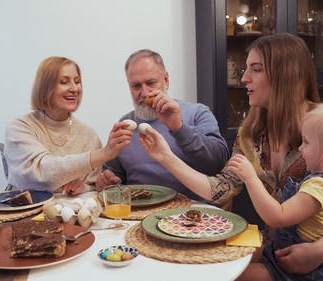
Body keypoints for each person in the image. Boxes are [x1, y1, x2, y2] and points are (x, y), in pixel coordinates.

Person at [138, 34, 323, 281]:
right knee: (209, 267)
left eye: (255, 69)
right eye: (246, 69)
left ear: (285, 75)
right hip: (278, 252)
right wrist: (165, 156)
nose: (244, 78)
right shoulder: (249, 134)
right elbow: (218, 190)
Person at [228, 93, 323, 280]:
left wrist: (251, 179)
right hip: (282, 249)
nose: (244, 77)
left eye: (305, 142)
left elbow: (277, 216)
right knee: (233, 260)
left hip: (309, 271)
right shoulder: (250, 132)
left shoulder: (321, 186)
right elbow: (222, 184)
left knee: (237, 274)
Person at [95, 49, 229, 201]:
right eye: (136, 86)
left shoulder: (197, 113)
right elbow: (114, 178)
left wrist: (179, 127)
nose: (144, 93)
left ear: (166, 80)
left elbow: (218, 162)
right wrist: (107, 181)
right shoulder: (125, 125)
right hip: (140, 214)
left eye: (151, 83)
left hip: (192, 213)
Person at [4, 56, 132, 195]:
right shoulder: (19, 128)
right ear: (45, 87)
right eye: (64, 82)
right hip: (28, 214)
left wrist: (85, 187)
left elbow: (92, 187)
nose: (74, 88)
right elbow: (42, 173)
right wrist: (104, 153)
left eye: (77, 82)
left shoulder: (89, 136)